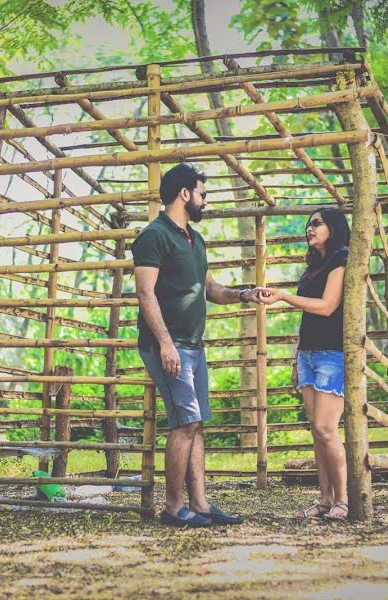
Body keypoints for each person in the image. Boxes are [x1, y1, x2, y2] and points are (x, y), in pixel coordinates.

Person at [131, 163, 263, 528]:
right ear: (184, 194)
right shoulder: (153, 236)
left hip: (194, 346)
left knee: (195, 424)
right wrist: (165, 344)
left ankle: (200, 504)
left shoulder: (196, 239)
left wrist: (244, 294)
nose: (206, 202)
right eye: (203, 194)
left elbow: (211, 290)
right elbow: (145, 293)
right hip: (166, 347)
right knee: (184, 421)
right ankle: (173, 508)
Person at [259, 207, 350, 521]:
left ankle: (344, 499)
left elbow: (326, 307)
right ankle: (325, 500)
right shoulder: (314, 266)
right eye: (308, 225)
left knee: (327, 429)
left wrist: (283, 296)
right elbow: (307, 316)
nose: (309, 229)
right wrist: (297, 358)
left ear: (334, 226)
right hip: (309, 355)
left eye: (317, 223)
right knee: (316, 431)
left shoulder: (341, 258)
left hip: (333, 356)